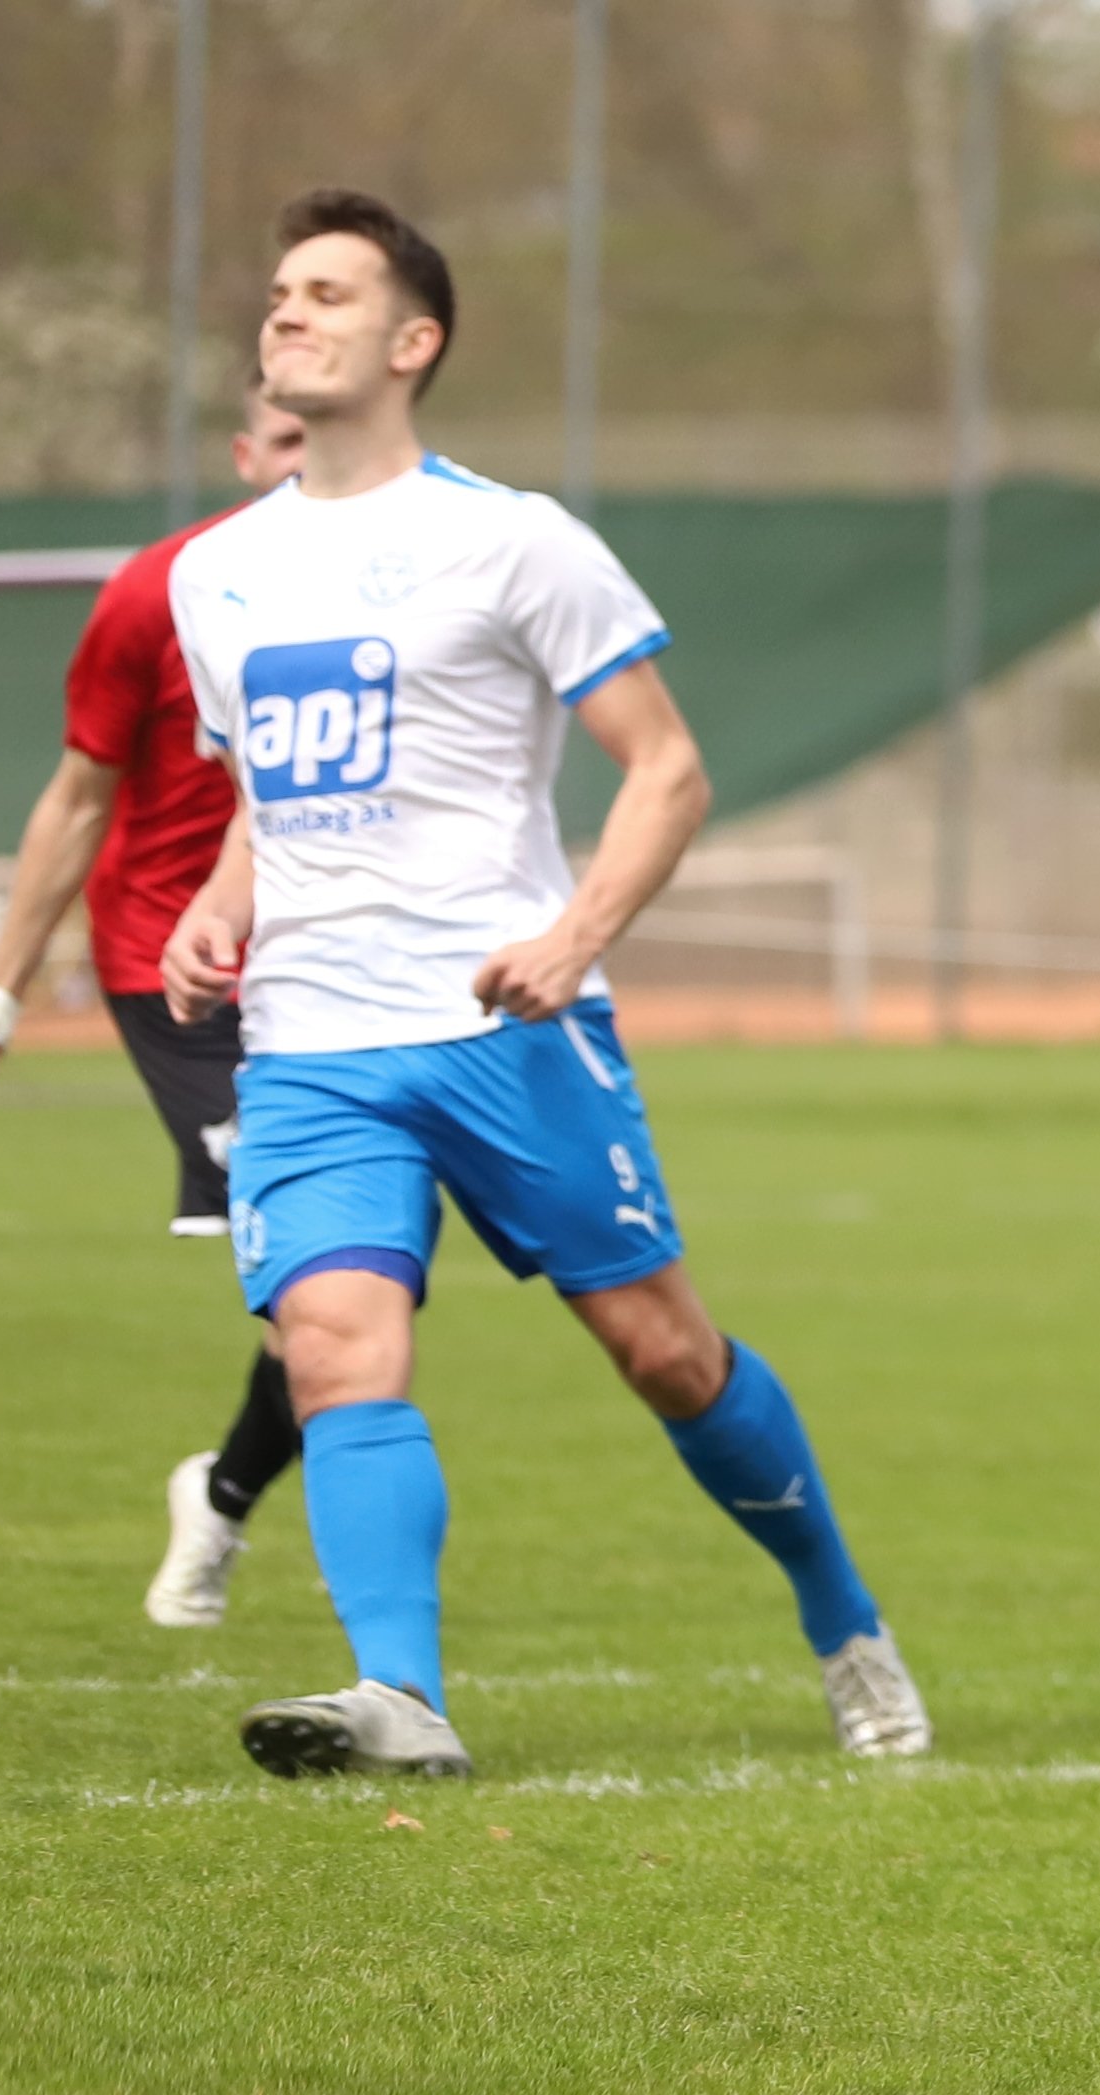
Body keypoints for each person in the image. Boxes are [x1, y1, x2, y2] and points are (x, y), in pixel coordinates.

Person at [158, 189, 926, 1778]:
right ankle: (404, 1701)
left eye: (326, 294)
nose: (284, 315)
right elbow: (265, 798)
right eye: (278, 292)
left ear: (412, 342)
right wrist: (215, 909)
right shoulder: (213, 574)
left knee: (665, 1352)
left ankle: (844, 1617)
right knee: (331, 1345)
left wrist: (573, 942)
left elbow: (668, 768)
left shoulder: (508, 537)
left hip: (506, 1028)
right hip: (307, 1043)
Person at [0, 385, 312, 1627]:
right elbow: (77, 797)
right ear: (248, 453)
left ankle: (226, 1492)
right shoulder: (160, 591)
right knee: (325, 1291)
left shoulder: (406, 590)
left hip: (345, 972)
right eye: (288, 439)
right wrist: (0, 987)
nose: (310, 461)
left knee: (362, 1296)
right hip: (182, 975)